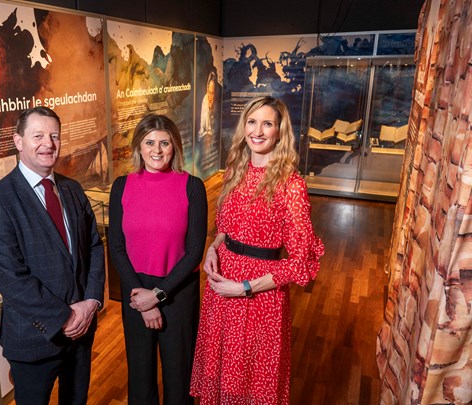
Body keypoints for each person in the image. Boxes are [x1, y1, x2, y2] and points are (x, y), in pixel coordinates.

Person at [190, 96, 325, 404]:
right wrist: (213, 247)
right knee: (221, 373)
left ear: (280, 131)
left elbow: (299, 262)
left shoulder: (291, 185)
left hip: (259, 297)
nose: (258, 131)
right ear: (244, 126)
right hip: (221, 288)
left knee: (250, 381)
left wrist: (244, 288)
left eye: (268, 123)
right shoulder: (234, 171)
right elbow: (225, 228)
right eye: (252, 122)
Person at [0, 107, 105, 405]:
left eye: (54, 136)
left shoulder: (72, 190)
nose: (48, 143)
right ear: (18, 141)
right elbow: (12, 280)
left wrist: (91, 302)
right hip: (35, 338)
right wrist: (65, 317)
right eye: (38, 136)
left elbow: (95, 247)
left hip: (81, 331)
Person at [109, 114, 208, 404]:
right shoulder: (121, 186)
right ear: (139, 148)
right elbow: (116, 246)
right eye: (149, 142)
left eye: (164, 143)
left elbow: (193, 253)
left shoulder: (193, 186)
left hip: (177, 292)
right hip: (136, 291)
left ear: (174, 146)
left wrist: (158, 295)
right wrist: (142, 297)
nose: (157, 150)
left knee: (179, 379)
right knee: (140, 378)